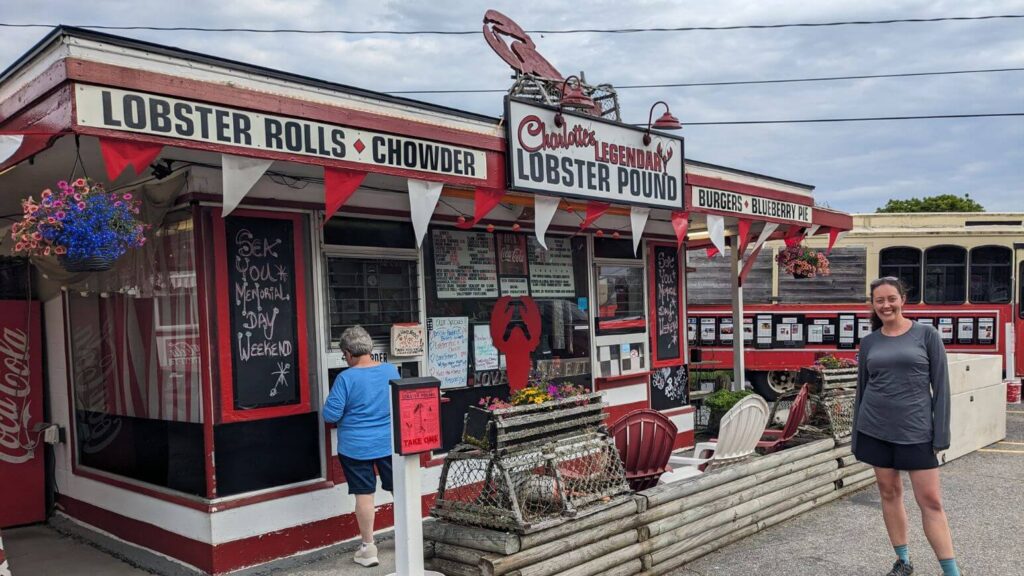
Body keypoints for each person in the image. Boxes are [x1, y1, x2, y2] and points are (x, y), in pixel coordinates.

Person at [852, 277, 961, 576]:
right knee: (889, 493)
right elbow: (862, 389)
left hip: (916, 432)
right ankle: (903, 561)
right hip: (875, 429)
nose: (886, 305)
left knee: (931, 501)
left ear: (903, 299)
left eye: (891, 298)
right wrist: (857, 437)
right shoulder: (870, 342)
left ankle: (951, 571)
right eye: (879, 300)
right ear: (873, 305)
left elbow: (941, 387)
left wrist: (941, 434)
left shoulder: (926, 335)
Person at [323, 326, 400, 568]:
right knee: (398, 490)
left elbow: (330, 415)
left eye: (344, 355)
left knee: (364, 495)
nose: (344, 359)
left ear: (348, 352)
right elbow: (398, 402)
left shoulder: (346, 378)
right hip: (388, 443)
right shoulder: (390, 371)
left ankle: (368, 549)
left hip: (356, 447)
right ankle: (406, 536)